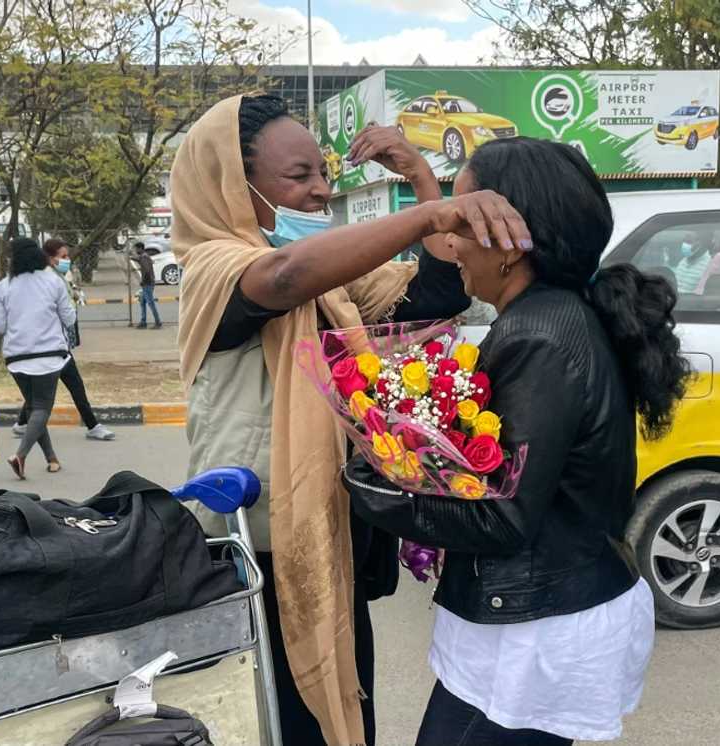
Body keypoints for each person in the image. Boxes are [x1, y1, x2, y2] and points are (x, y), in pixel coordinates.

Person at [171, 93, 528, 746]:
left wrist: (421, 179)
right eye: (299, 176)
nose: (321, 192)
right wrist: (434, 209)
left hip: (328, 537)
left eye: (323, 174)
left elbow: (436, 293)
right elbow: (281, 279)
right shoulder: (212, 269)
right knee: (279, 722)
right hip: (255, 552)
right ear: (232, 184)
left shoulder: (333, 284)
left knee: (342, 705)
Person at [343, 137, 690, 746]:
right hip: (536, 611)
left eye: (460, 224)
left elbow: (503, 517)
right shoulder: (549, 313)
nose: (448, 247)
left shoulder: (540, 336)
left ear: (507, 242)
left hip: (533, 634)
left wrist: (369, 483)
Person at [11, 238, 115, 442]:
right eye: (63, 257)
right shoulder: (48, 280)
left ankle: (22, 423)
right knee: (74, 385)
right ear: (51, 259)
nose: (67, 260)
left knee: (40, 390)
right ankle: (93, 425)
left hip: (56, 344)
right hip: (52, 346)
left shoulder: (58, 277)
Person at [0, 237, 76, 479]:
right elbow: (69, 319)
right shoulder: (53, 281)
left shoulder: (2, 287)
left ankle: (52, 459)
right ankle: (20, 456)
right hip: (49, 355)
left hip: (16, 358)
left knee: (33, 408)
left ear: (12, 259)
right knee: (41, 408)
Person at [133, 242, 162, 329]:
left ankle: (158, 322)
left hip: (147, 283)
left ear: (140, 248)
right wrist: (133, 258)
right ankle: (143, 321)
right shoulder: (144, 256)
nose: (136, 250)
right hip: (148, 282)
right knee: (142, 301)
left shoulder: (144, 257)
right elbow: (141, 260)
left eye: (136, 249)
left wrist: (143, 281)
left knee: (150, 303)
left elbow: (147, 271)